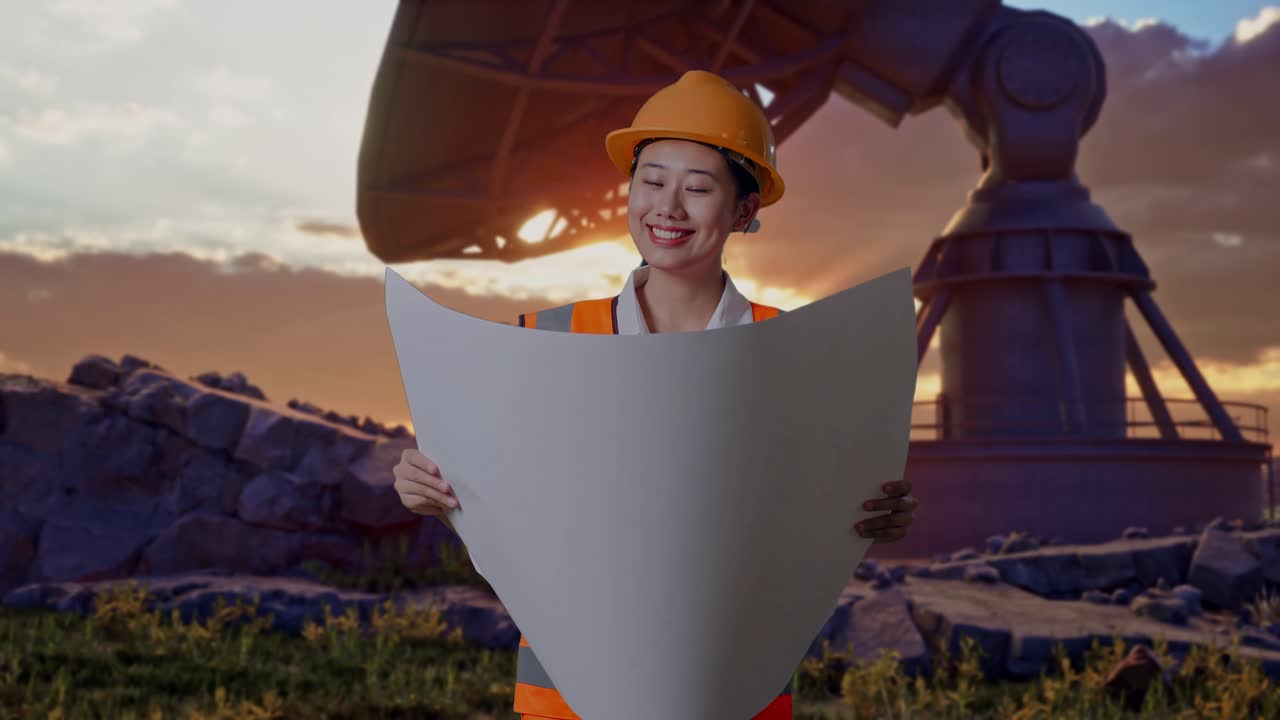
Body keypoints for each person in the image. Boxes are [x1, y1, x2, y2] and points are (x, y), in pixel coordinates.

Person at [393, 70, 921, 720]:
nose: (667, 207)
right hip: (565, 703)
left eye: (698, 188)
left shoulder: (793, 356)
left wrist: (873, 513)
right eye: (651, 180)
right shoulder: (538, 343)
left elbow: (820, 498)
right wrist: (424, 483)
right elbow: (492, 492)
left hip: (735, 697)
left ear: (744, 210)